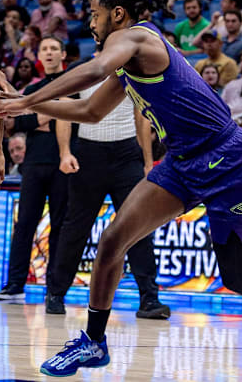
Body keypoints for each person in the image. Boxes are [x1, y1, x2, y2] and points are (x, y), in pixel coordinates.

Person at [0, 0, 242, 379]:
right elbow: (89, 112)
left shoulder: (137, 39)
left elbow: (96, 67)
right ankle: (94, 341)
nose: (91, 21)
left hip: (230, 160)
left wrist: (27, 99)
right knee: (112, 240)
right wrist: (23, 101)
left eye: (96, 13)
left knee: (237, 274)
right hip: (184, 162)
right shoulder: (126, 62)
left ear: (118, 13)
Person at [48, 46, 170, 318]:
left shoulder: (131, 69)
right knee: (75, 228)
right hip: (88, 153)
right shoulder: (82, 70)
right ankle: (56, 293)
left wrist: (147, 161)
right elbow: (65, 112)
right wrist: (65, 152)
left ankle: (149, 299)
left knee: (138, 226)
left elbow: (142, 117)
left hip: (126, 155)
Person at [0, 36, 70, 301]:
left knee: (59, 226)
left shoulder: (72, 84)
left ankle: (54, 289)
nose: (48, 53)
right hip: (34, 164)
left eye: (53, 49)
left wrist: (37, 117)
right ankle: (14, 285)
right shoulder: (33, 88)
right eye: (44, 49)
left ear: (63, 54)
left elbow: (77, 119)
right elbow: (16, 124)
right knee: (24, 224)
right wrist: (49, 115)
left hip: (63, 163)